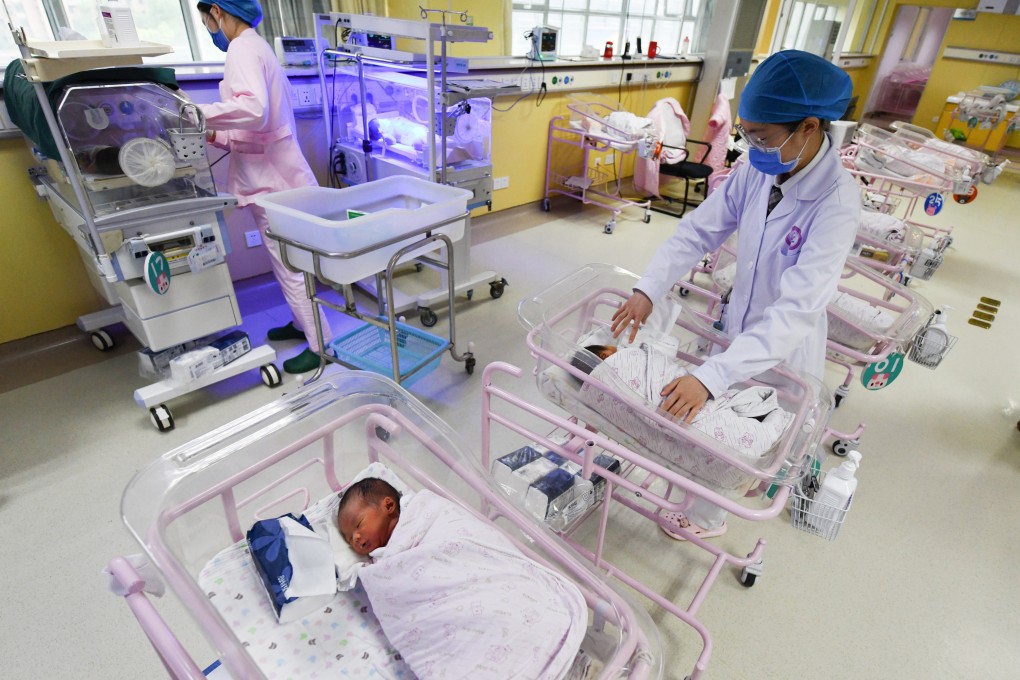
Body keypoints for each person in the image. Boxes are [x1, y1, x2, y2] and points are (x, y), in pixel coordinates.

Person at [610, 49, 859, 539]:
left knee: (742, 444)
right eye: (747, 133)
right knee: (705, 426)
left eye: (762, 136)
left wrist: (712, 376)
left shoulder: (837, 200)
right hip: (735, 322)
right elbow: (698, 232)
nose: (751, 146)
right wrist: (648, 289)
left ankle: (707, 520)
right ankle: (698, 499)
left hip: (784, 346)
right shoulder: (757, 168)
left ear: (809, 127)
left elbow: (795, 311)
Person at [195, 0, 332, 374]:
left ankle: (321, 345)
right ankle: (303, 323)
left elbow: (253, 110)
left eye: (207, 18)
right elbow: (258, 125)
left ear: (218, 12)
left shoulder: (242, 48)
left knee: (290, 266)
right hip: (274, 174)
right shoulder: (257, 45)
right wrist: (215, 133)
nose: (209, 26)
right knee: (286, 261)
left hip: (273, 183)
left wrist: (197, 113)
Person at [336, 477, 401, 556]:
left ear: (388, 506)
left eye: (358, 524)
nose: (355, 538)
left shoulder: (412, 510)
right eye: (350, 540)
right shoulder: (377, 560)